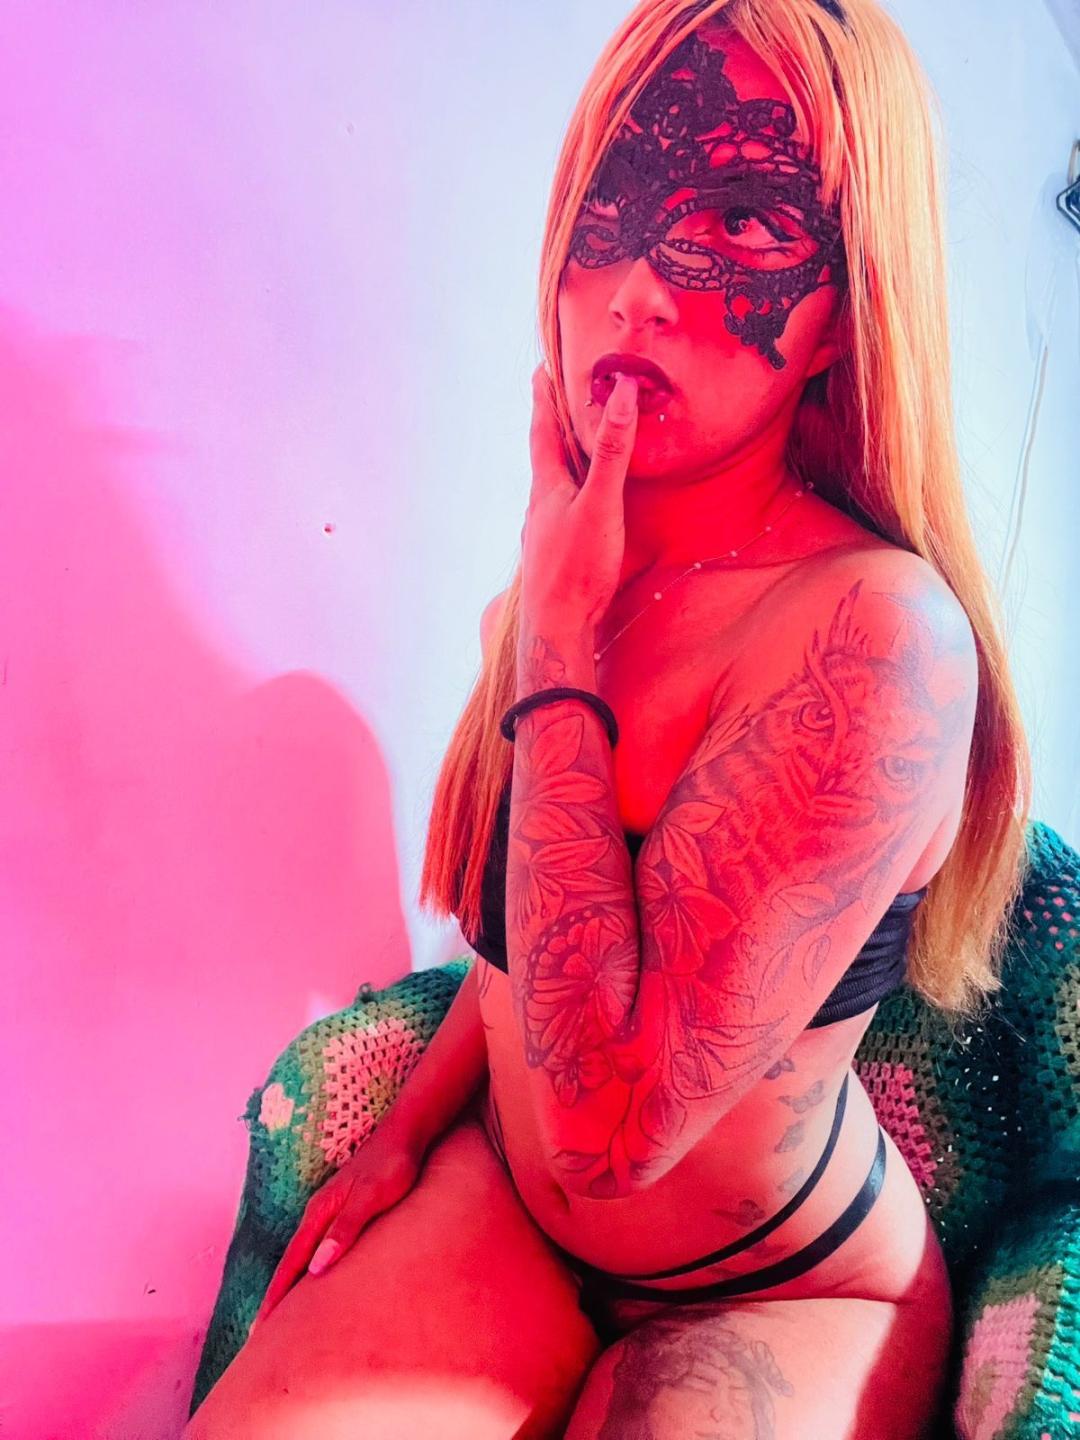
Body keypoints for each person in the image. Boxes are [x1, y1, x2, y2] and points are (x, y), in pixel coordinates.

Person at [185, 0, 1031, 1435]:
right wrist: (405, 1133)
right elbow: (527, 950)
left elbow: (611, 1135)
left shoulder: (876, 640)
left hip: (780, 1285)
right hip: (515, 1212)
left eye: (743, 224)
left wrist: (560, 655)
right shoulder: (580, 572)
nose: (639, 289)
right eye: (613, 204)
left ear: (845, 310)